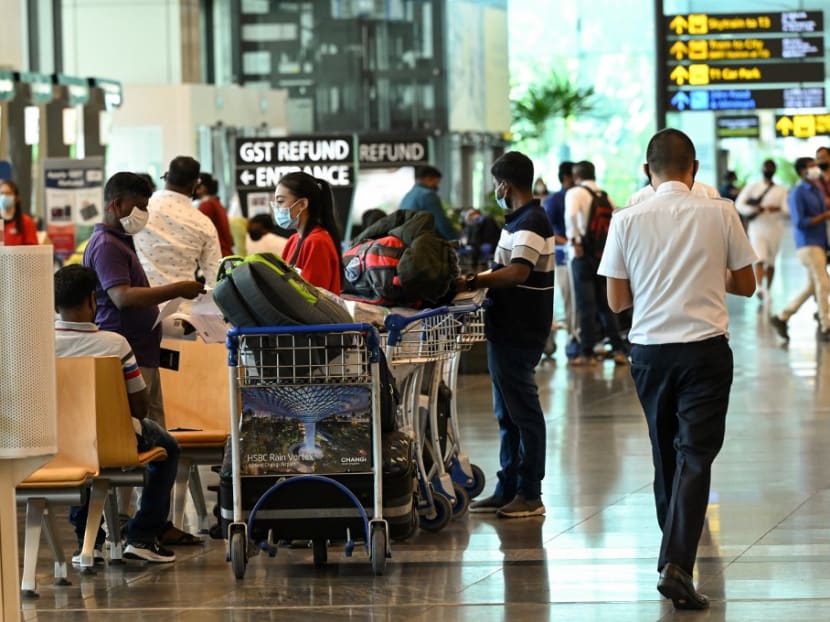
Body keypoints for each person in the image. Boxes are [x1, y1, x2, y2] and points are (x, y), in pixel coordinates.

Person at [598, 128, 756, 610]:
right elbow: (747, 284)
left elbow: (617, 300)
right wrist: (705, 274)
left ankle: (674, 561)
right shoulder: (721, 211)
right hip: (705, 350)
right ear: (695, 169)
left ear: (647, 170)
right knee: (695, 456)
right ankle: (676, 565)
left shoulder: (625, 219)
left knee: (665, 455)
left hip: (650, 352)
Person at [54, 265, 202, 563]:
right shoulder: (115, 345)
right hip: (115, 441)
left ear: (55, 305)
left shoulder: (39, 348)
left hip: (61, 445)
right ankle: (143, 536)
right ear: (92, 300)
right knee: (168, 447)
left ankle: (87, 542)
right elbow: (140, 408)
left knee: (83, 455)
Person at [460, 151, 554, 519]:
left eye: (496, 184)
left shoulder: (531, 222)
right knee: (507, 414)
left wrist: (472, 281)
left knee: (523, 414)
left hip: (520, 328)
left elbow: (517, 272)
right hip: (506, 326)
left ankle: (530, 493)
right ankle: (508, 487)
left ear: (505, 185)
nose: (495, 191)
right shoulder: (517, 221)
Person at [83, 172, 204, 425]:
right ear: (116, 204)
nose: (144, 214)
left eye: (146, 207)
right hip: (128, 352)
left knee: (155, 431)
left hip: (142, 352)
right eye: (139, 207)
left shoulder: (120, 241)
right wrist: (178, 288)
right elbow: (122, 297)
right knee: (137, 429)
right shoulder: (107, 245)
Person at [565, 160, 628, 365]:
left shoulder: (575, 193)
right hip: (602, 256)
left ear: (576, 176)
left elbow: (571, 215)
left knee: (586, 306)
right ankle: (618, 350)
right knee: (605, 305)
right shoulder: (605, 196)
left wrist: (575, 240)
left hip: (582, 255)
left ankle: (587, 353)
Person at [134, 156, 222, 293]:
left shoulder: (140, 209)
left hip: (142, 299)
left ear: (166, 176)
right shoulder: (203, 224)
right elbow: (215, 276)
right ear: (195, 184)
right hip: (183, 303)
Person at [770, 157, 830, 342]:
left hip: (819, 243)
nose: (815, 168)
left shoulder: (817, 190)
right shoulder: (797, 193)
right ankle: (827, 325)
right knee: (823, 283)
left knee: (812, 286)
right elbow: (799, 222)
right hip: (808, 244)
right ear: (802, 171)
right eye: (811, 166)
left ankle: (783, 317)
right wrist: (824, 216)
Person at [275, 171, 344, 294]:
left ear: (302, 204)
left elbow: (312, 297)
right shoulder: (294, 240)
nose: (276, 208)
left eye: (280, 201)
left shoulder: (317, 243)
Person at [734, 159, 789, 301]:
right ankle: (760, 288)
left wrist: (776, 208)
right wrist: (755, 209)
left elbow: (787, 210)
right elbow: (739, 204)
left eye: (771, 167)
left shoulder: (781, 190)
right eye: (766, 167)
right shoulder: (752, 187)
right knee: (759, 257)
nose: (768, 170)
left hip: (775, 228)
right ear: (762, 169)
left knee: (771, 261)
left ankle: (768, 289)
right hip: (757, 227)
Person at [543, 162, 576, 357]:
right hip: (561, 257)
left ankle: (574, 340)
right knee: (566, 300)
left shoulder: (577, 196)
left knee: (573, 302)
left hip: (573, 257)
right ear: (567, 177)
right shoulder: (555, 200)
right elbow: (548, 230)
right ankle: (566, 341)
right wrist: (569, 242)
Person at [399, 165, 457, 241]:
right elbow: (441, 222)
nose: (437, 186)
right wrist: (456, 240)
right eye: (437, 182)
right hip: (422, 241)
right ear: (428, 179)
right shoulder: (428, 195)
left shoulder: (408, 195)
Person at [195, 172, 234, 257]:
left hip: (217, 254)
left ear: (203, 188)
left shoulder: (206, 205)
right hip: (224, 252)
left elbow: (199, 232)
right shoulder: (216, 203)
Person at [1, 179, 38, 245]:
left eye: (8, 193)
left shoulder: (26, 222)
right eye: (1, 193)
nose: (4, 196)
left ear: (16, 198)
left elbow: (32, 248)